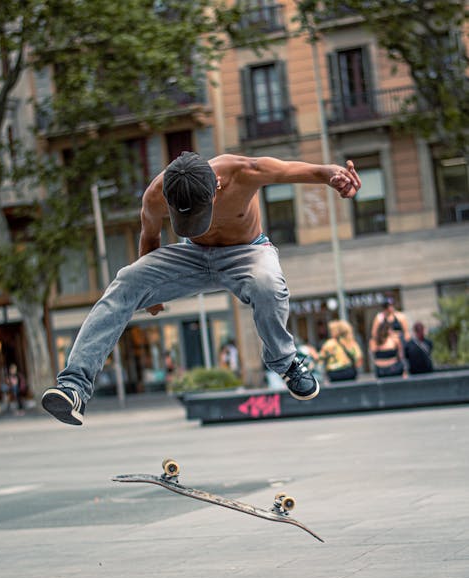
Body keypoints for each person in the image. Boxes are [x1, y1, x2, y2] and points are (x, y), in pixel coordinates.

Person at [41, 151, 361, 425]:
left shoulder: (247, 171)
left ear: (216, 186)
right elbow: (150, 238)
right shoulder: (156, 194)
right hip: (192, 257)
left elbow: (308, 171)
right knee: (124, 282)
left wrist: (336, 176)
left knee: (268, 285)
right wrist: (149, 292)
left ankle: (286, 363)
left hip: (247, 252)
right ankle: (74, 387)